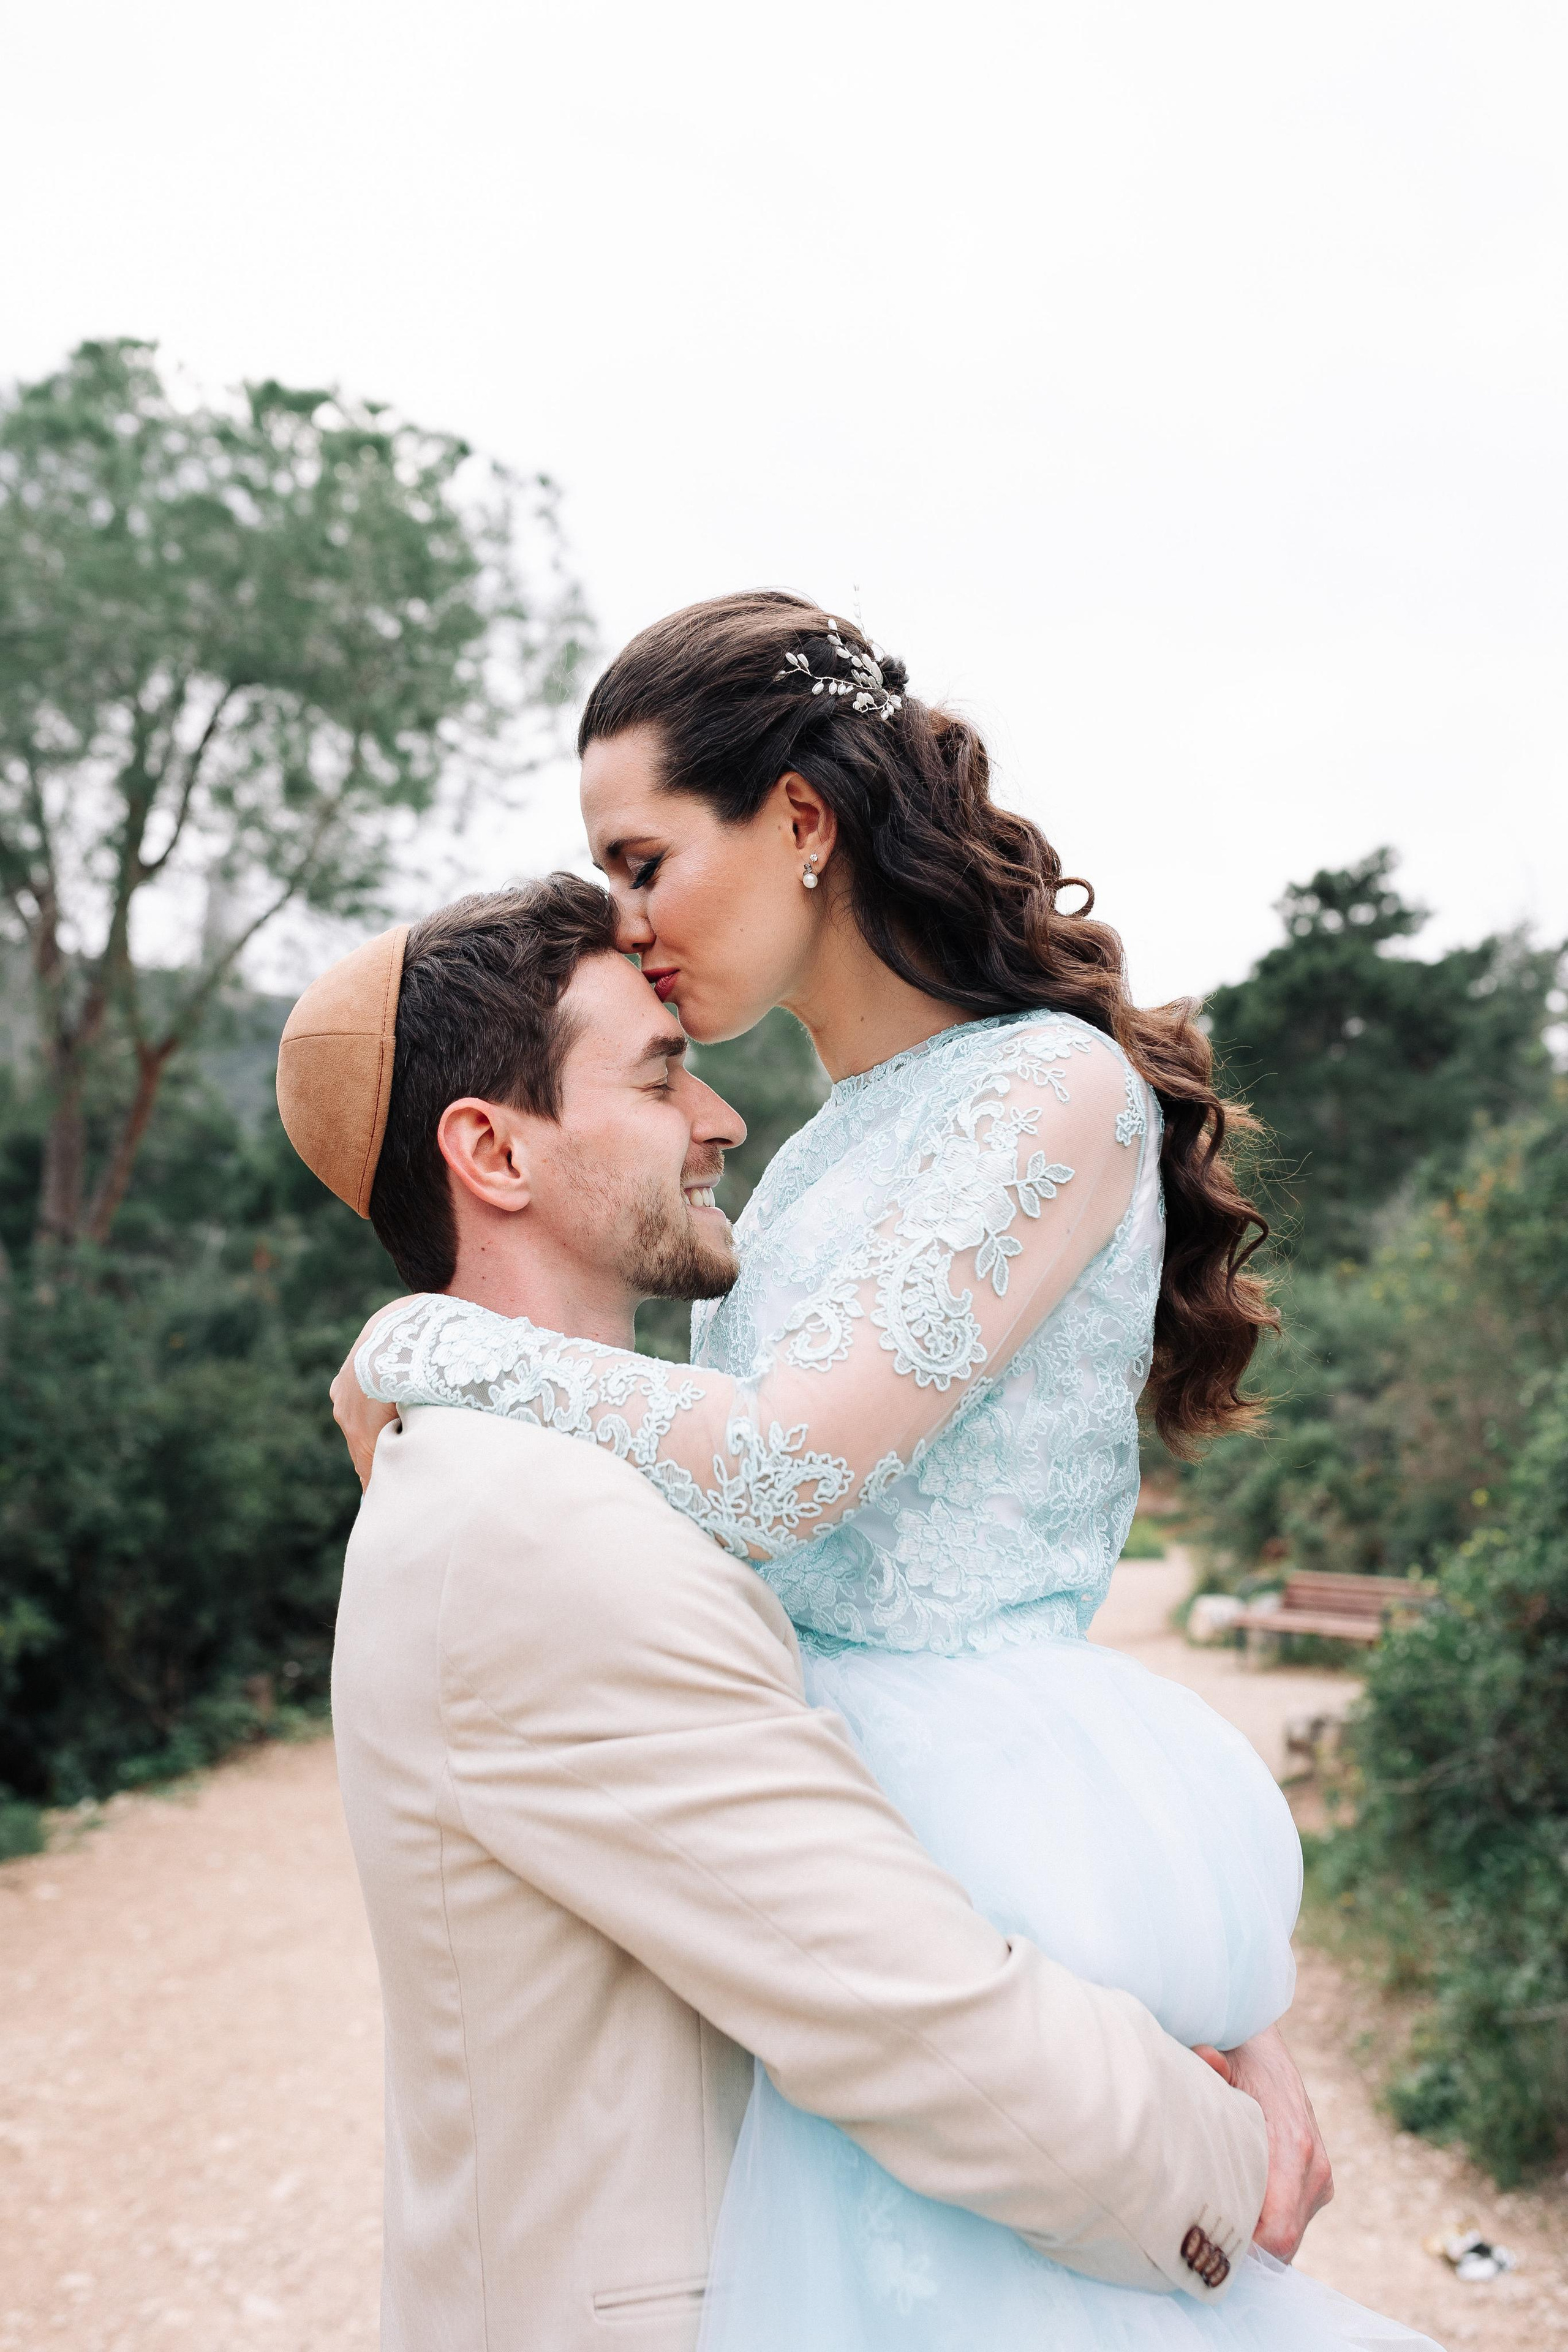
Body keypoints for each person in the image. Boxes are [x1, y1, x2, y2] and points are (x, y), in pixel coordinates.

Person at [333, 594, 1440, 2350]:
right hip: (837, 1785)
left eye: (640, 858)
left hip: (973, 1783)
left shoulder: (1049, 1093)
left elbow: (777, 1480)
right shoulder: (814, 1160)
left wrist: (431, 1344)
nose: (626, 922)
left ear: (797, 822)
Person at [282, 883, 1279, 2352]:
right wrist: (1226, 2168)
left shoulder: (528, 1479)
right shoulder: (540, 1529)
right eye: (658, 1073)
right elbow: (904, 2014)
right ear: (491, 1150)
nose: (723, 1120)